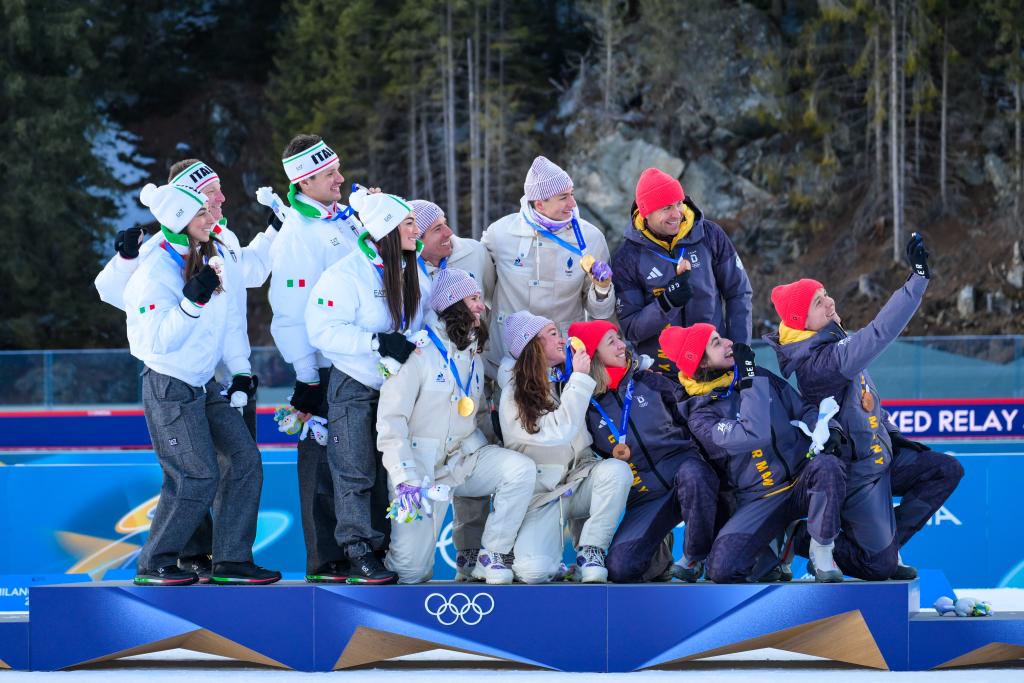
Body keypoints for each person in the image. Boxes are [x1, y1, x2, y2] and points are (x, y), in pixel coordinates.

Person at [94, 158, 271, 582]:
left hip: (204, 382)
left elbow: (230, 316)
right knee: (196, 474)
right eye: (205, 205)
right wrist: (129, 263)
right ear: (181, 214)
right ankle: (156, 562)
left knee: (244, 459)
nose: (216, 210)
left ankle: (230, 559)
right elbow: (149, 334)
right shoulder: (155, 264)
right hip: (170, 383)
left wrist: (241, 370)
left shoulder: (212, 248)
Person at [764, 233, 962, 580]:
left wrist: (892, 434)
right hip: (860, 475)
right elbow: (879, 333)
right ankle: (803, 537)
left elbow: (866, 401)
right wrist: (916, 281)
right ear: (803, 323)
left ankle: (888, 544)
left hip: (882, 457)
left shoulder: (834, 340)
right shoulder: (819, 364)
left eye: (825, 294)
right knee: (878, 567)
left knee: (945, 470)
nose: (829, 302)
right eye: (818, 303)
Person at [377, 269, 535, 584]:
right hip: (419, 469)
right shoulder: (416, 352)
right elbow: (391, 421)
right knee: (411, 571)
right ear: (452, 302)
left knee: (519, 469)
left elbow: (475, 415)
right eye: (474, 298)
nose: (481, 306)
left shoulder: (473, 356)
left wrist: (486, 450)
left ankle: (492, 555)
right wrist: (404, 477)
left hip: (463, 459)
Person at [305, 189, 427, 584]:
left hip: (398, 388)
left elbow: (422, 322)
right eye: (408, 222)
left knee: (389, 471)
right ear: (388, 229)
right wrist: (376, 342)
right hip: (355, 385)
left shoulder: (412, 270)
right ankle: (358, 551)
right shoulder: (346, 275)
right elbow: (322, 330)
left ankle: (384, 548)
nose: (416, 229)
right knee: (354, 470)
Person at [269, 134, 373, 583]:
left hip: (358, 359)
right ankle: (325, 559)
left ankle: (359, 549)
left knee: (356, 460)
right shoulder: (297, 233)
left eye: (338, 169)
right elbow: (288, 312)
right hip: (326, 366)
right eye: (330, 173)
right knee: (324, 461)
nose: (340, 178)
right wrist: (307, 375)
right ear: (304, 182)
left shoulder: (344, 219)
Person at [668, 324, 847, 583]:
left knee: (828, 465)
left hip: (801, 477)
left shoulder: (758, 374)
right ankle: (790, 539)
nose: (728, 342)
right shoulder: (701, 416)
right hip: (760, 497)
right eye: (716, 343)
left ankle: (821, 551)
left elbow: (803, 409)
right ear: (702, 363)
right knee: (722, 570)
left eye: (722, 337)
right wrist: (749, 379)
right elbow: (753, 434)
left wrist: (829, 428)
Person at [569, 320, 718, 583]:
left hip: (682, 474)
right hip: (646, 496)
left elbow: (692, 419)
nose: (621, 345)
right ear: (593, 355)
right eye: (611, 341)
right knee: (620, 568)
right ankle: (660, 556)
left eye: (619, 338)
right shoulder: (586, 404)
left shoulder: (649, 381)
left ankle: (694, 557)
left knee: (695, 475)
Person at [497, 311, 632, 583]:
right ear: (533, 344)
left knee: (617, 472)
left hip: (579, 481)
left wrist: (637, 363)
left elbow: (613, 364)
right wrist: (580, 379)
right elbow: (561, 430)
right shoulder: (514, 393)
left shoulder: (564, 377)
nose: (563, 340)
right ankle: (527, 552)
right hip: (543, 496)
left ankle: (591, 550)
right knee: (534, 572)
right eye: (553, 334)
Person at [480, 156, 615, 377]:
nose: (573, 203)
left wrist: (602, 288)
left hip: (562, 362)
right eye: (563, 197)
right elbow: (483, 292)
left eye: (572, 194)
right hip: (508, 359)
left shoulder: (591, 238)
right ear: (540, 204)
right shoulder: (500, 234)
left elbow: (600, 312)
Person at [612, 168, 752, 379]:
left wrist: (740, 349)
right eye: (667, 208)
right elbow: (631, 328)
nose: (677, 213)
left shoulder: (710, 235)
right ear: (646, 212)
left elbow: (738, 293)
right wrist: (666, 303)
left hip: (714, 367)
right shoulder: (627, 257)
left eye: (679, 203)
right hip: (663, 377)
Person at [410, 199, 495, 301]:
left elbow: (493, 299)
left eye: (445, 223)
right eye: (437, 229)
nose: (449, 232)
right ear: (416, 240)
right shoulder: (404, 271)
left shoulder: (476, 251)